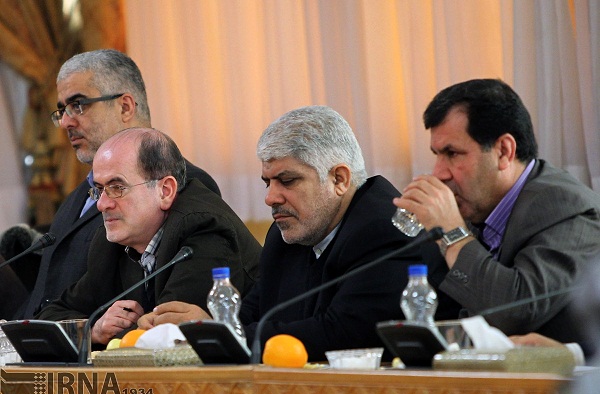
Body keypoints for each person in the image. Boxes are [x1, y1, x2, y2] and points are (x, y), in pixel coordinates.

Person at [138, 105, 461, 362]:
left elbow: (342, 334)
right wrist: (207, 325)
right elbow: (251, 313)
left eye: (287, 181)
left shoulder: (385, 228)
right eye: (267, 182)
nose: (270, 197)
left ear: (339, 179)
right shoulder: (288, 233)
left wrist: (218, 335)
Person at [392, 78, 600, 357]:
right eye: (437, 155)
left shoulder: (564, 206)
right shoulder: (477, 208)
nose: (439, 172)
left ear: (504, 151)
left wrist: (453, 234)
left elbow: (514, 313)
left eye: (452, 153)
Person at [13, 49, 221, 320]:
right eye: (62, 110)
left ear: (125, 107)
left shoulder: (188, 185)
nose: (65, 122)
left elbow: (170, 312)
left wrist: (93, 330)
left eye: (78, 105)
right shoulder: (77, 197)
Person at [36, 127, 261, 347]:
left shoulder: (204, 228)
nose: (102, 204)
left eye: (117, 187)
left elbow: (167, 336)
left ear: (165, 191)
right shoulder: (112, 242)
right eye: (99, 190)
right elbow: (50, 315)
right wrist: (94, 329)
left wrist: (112, 331)